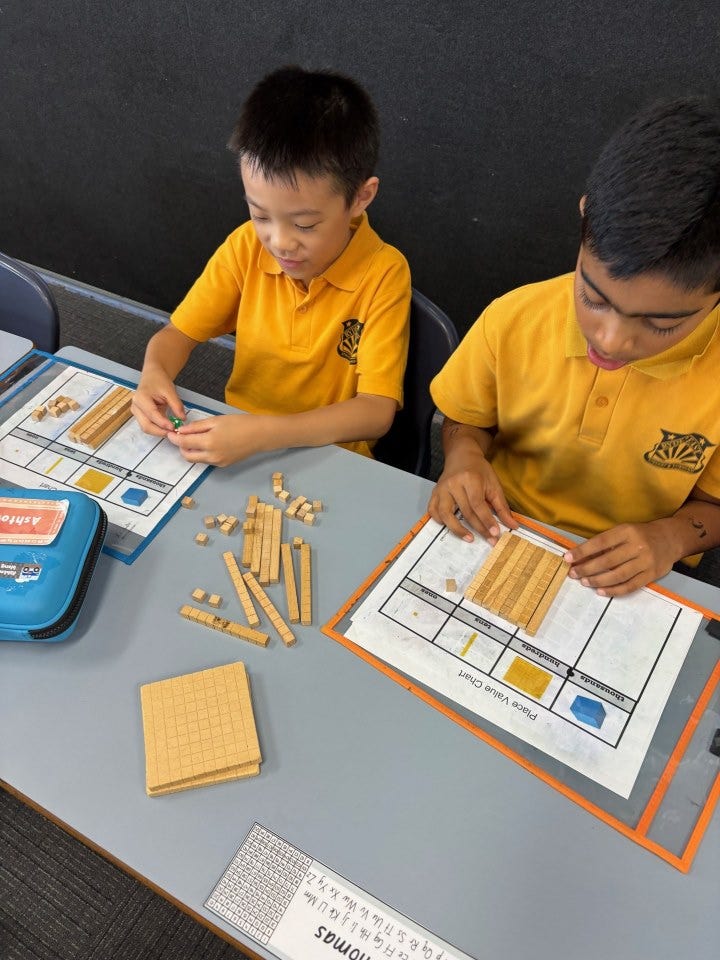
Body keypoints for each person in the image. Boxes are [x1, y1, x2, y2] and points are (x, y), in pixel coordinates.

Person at [429, 96, 720, 598]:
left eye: (661, 324)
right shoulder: (514, 318)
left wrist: (670, 537)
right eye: (593, 296)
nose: (610, 340)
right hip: (502, 529)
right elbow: (466, 419)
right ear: (586, 216)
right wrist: (462, 457)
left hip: (630, 575)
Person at [132, 66, 410, 465]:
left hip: (328, 456)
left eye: (305, 224)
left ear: (361, 197)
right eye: (260, 215)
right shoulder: (246, 246)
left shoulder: (384, 272)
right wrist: (153, 372)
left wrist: (264, 433)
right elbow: (177, 333)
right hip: (239, 438)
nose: (280, 243)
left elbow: (375, 412)